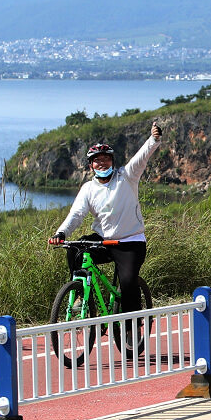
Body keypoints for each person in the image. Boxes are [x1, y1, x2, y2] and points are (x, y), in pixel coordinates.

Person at [49, 120, 163, 315]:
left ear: (113, 161)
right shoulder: (88, 188)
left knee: (128, 283)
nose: (102, 163)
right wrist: (61, 232)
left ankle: (131, 326)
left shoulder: (126, 177)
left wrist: (154, 139)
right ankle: (80, 294)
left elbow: (141, 158)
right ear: (91, 165)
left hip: (130, 243)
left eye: (106, 159)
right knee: (75, 249)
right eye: (97, 160)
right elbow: (76, 214)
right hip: (104, 242)